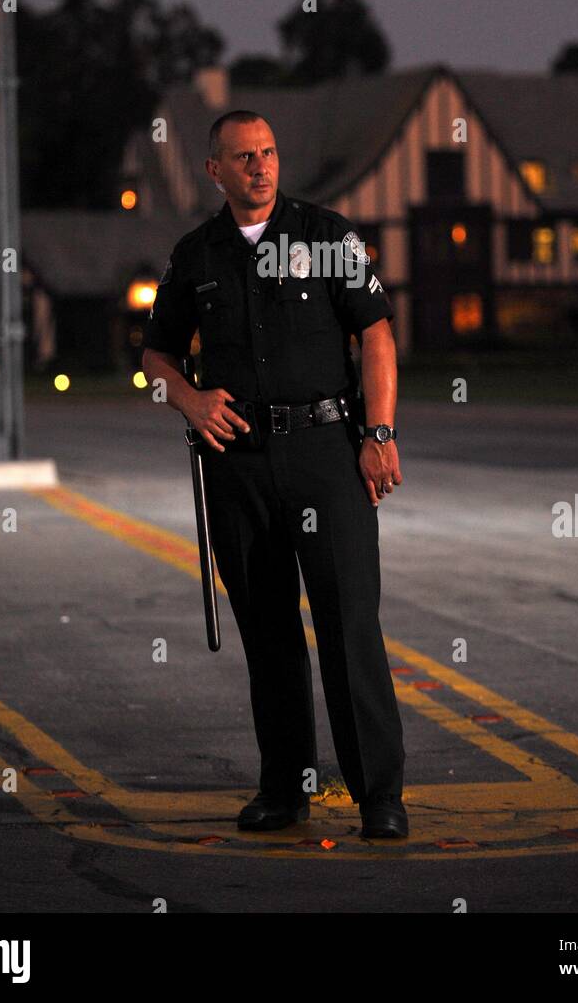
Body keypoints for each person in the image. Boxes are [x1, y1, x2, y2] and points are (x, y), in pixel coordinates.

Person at [141, 109, 407, 838]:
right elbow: (155, 355)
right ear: (214, 171)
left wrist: (378, 433)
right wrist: (191, 401)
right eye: (243, 157)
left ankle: (379, 796)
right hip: (240, 465)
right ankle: (284, 791)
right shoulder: (196, 256)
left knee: (349, 625)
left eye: (267, 153)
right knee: (268, 633)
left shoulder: (327, 238)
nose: (260, 166)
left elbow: (376, 335)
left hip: (327, 453)